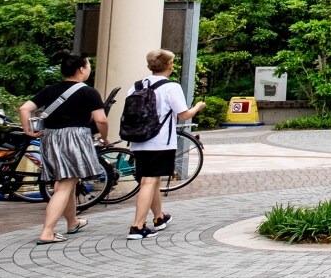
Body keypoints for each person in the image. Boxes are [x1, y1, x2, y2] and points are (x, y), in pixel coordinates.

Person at [20, 53, 108, 246]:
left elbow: (24, 109)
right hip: (75, 138)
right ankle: (47, 231)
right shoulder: (89, 92)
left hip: (50, 138)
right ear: (81, 69)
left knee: (65, 182)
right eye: (88, 66)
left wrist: (27, 129)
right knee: (65, 185)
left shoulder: (50, 90)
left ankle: (72, 222)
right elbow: (101, 119)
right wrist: (104, 137)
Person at [125, 49, 206, 240]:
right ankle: (137, 226)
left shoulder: (136, 86)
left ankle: (159, 217)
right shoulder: (171, 87)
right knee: (149, 181)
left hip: (138, 140)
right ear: (169, 65)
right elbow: (183, 114)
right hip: (160, 142)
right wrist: (198, 107)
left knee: (151, 180)